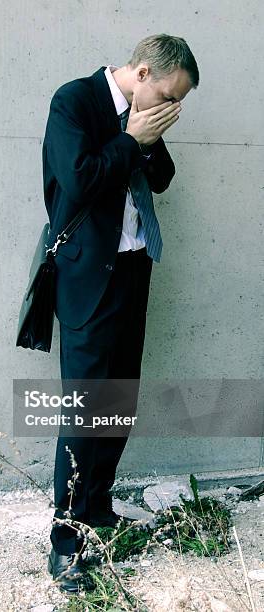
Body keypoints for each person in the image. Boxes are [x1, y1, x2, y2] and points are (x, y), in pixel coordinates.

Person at [43, 34, 199, 592]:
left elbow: (160, 178)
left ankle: (97, 509)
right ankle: (65, 543)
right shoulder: (75, 101)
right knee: (84, 409)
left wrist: (149, 142)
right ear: (139, 72)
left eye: (178, 101)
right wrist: (133, 138)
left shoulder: (145, 119)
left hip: (133, 270)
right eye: (167, 94)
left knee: (118, 401)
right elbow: (80, 178)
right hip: (88, 278)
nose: (170, 108)